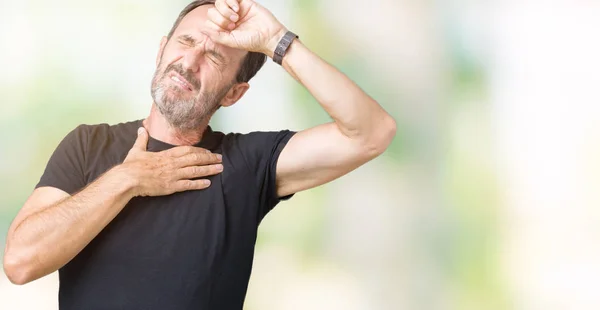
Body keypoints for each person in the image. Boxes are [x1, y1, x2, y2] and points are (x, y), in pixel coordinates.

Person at [3, 0, 396, 308]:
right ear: (161, 51)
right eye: (186, 42)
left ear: (233, 93)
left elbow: (372, 133)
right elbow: (20, 263)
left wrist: (277, 39)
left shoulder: (246, 163)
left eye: (213, 57)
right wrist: (129, 179)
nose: (188, 63)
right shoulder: (89, 145)